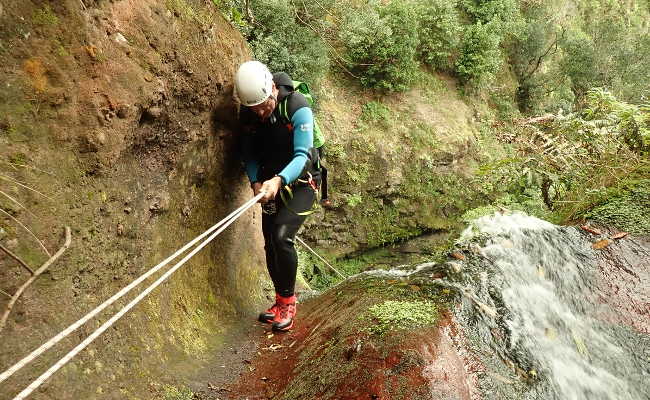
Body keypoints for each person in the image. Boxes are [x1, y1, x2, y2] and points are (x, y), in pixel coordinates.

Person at [235, 61, 318, 332]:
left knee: (282, 236)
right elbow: (249, 154)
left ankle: (289, 303)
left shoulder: (297, 106)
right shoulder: (249, 113)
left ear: (272, 89)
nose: (260, 112)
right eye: (254, 108)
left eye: (263, 105)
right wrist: (255, 182)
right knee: (270, 244)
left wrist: (279, 180)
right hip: (269, 185)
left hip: (303, 184)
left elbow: (302, 154)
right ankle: (280, 300)